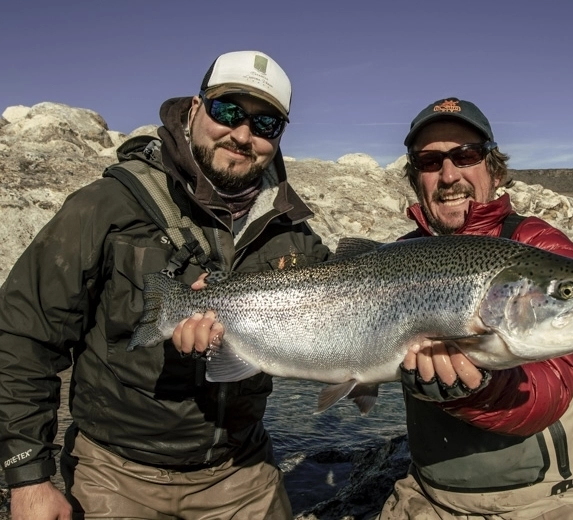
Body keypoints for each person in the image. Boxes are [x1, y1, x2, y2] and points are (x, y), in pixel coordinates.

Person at [0, 50, 330, 519]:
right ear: (195, 109)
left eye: (265, 125)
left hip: (242, 471)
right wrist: (28, 477)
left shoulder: (295, 234)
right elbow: (22, 334)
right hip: (114, 474)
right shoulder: (105, 206)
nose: (242, 135)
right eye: (229, 111)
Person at [378, 97, 573, 519]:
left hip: (552, 502)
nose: (449, 175)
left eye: (465, 156)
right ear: (416, 178)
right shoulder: (397, 257)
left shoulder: (541, 248)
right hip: (429, 498)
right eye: (430, 162)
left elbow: (551, 390)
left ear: (493, 168)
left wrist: (481, 389)